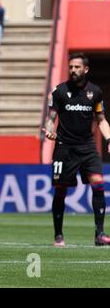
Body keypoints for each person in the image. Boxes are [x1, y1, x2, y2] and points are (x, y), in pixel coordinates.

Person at [44, 52, 110, 247]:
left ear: (85, 69)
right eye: (71, 67)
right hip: (64, 148)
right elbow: (51, 118)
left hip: (87, 147)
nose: (72, 70)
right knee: (61, 190)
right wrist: (48, 131)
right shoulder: (60, 92)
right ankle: (58, 235)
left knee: (98, 184)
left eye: (77, 67)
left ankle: (100, 234)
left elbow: (101, 120)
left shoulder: (95, 92)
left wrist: (108, 138)